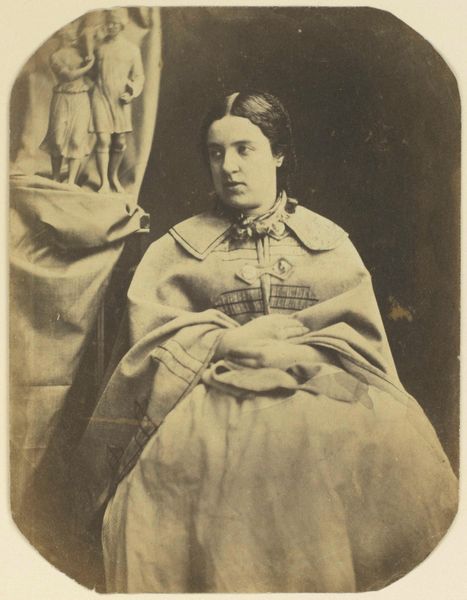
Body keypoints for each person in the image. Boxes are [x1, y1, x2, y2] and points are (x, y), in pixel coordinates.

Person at [75, 91, 458, 593]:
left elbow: (362, 342)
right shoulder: (177, 249)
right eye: (216, 153)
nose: (229, 167)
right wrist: (226, 343)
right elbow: (147, 343)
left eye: (245, 149)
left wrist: (296, 351)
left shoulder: (328, 242)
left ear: (278, 154)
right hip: (202, 407)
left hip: (319, 396)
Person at [90, 8, 145, 193]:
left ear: (122, 25)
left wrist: (132, 93)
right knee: (103, 139)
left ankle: (113, 177)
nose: (111, 26)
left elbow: (139, 76)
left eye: (115, 23)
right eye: (108, 23)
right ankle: (103, 182)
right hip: (100, 96)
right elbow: (90, 73)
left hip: (120, 100)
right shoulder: (98, 48)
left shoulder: (132, 50)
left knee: (119, 142)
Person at [40, 23, 94, 185]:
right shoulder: (55, 57)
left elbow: (93, 76)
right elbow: (68, 75)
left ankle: (71, 181)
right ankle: (56, 177)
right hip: (62, 98)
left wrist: (90, 57)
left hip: (80, 98)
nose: (74, 32)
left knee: (77, 138)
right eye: (70, 29)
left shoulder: (82, 53)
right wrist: (89, 65)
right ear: (62, 32)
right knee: (57, 139)